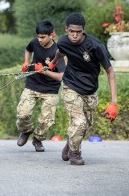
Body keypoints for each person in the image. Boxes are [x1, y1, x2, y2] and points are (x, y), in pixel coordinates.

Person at [48, 12, 118, 165]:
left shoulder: (95, 46)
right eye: (71, 31)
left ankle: (70, 142)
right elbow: (60, 51)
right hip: (70, 85)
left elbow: (110, 72)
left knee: (85, 126)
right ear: (66, 29)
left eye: (78, 32)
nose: (74, 35)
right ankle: (75, 154)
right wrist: (53, 62)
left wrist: (114, 103)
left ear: (83, 30)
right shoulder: (63, 41)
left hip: (90, 90)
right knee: (79, 123)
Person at [16, 20, 65, 152]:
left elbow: (61, 76)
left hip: (50, 89)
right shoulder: (34, 42)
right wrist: (26, 62)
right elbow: (28, 49)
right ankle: (26, 131)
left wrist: (45, 71)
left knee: (46, 121)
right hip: (32, 84)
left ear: (51, 35)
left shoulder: (58, 51)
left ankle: (37, 139)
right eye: (38, 36)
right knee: (22, 114)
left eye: (42, 37)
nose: (39, 39)